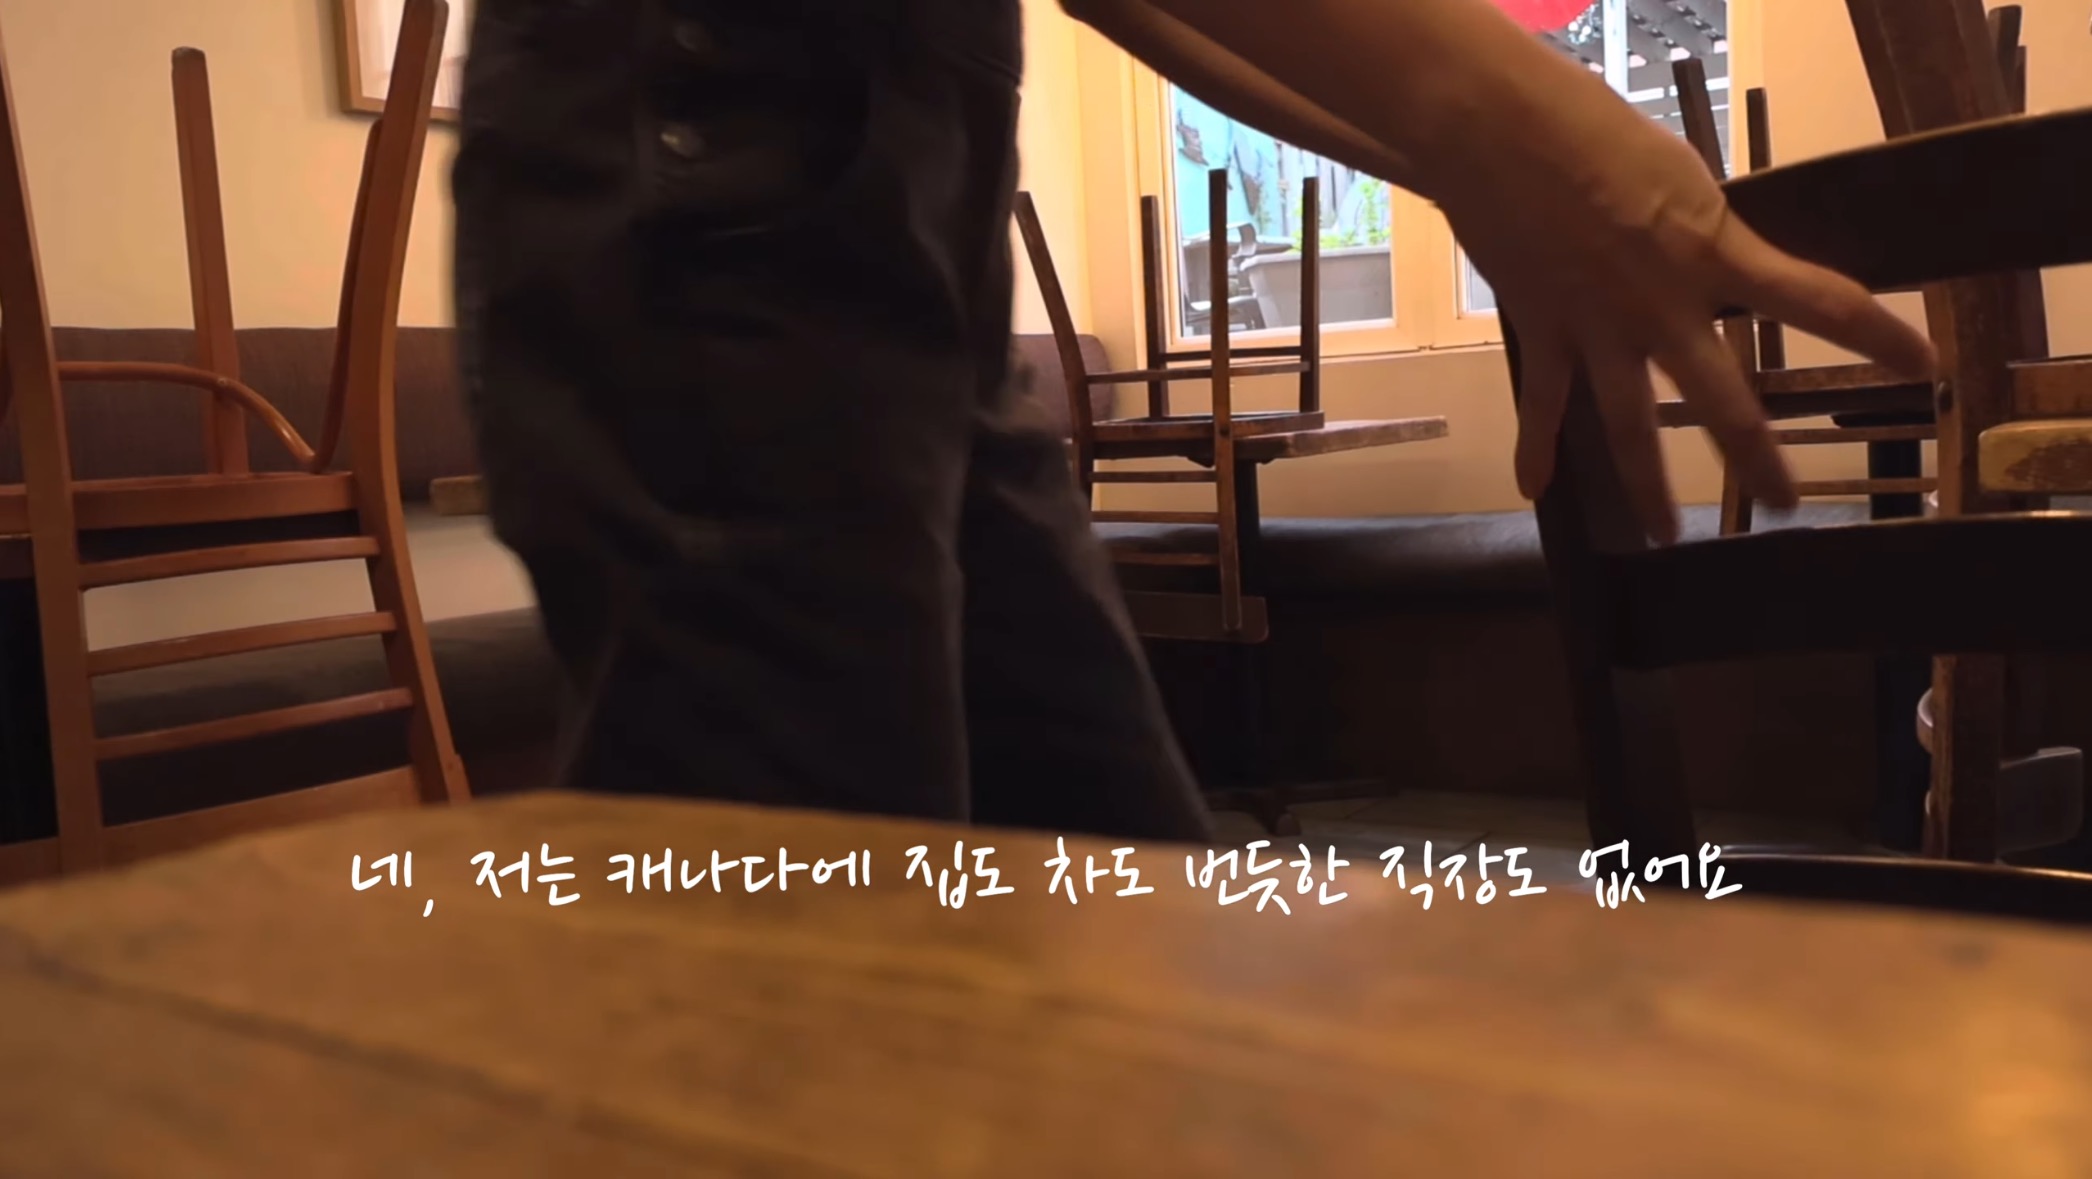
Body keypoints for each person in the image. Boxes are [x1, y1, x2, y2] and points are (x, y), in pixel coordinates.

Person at [450, 0, 1935, 843]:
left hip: (904, 230)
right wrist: (1506, 114)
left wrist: (1466, 160)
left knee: (1111, 922)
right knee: (802, 1009)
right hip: (707, 166)